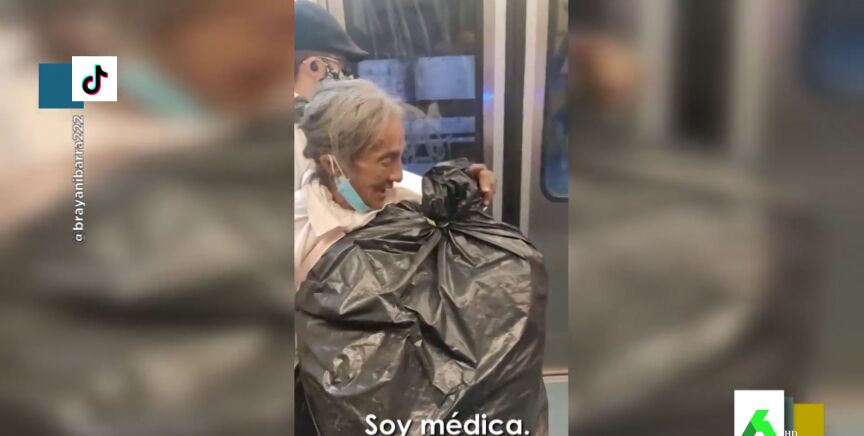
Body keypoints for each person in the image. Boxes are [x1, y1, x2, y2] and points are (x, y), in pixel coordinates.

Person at [294, 79, 495, 288]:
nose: (397, 175)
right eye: (385, 161)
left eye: (399, 157)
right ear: (332, 165)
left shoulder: (414, 197)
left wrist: (470, 192)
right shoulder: (296, 233)